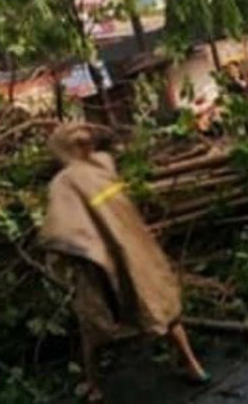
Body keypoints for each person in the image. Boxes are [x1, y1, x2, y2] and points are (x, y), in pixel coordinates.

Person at [39, 124, 208, 401]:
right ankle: (193, 365)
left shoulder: (64, 182)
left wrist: (61, 257)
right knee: (160, 304)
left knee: (92, 323)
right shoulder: (104, 165)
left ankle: (93, 384)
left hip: (97, 259)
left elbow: (61, 229)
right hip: (133, 247)